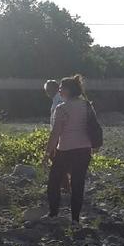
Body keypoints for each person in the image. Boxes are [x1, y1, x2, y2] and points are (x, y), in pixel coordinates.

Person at [45, 75, 94, 225]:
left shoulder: (62, 108)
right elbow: (92, 126)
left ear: (68, 90)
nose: (59, 90)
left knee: (53, 183)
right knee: (77, 185)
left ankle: (53, 214)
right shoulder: (87, 105)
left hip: (65, 149)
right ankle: (75, 220)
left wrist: (47, 152)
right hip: (84, 149)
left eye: (61, 88)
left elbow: (55, 133)